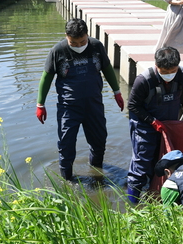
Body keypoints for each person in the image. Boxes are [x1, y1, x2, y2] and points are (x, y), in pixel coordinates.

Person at [36, 18, 124, 181]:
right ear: (66, 36)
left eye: (82, 41)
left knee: (99, 141)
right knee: (66, 144)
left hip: (94, 105)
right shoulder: (58, 51)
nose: (78, 45)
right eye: (73, 43)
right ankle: (67, 180)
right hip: (69, 108)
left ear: (87, 35)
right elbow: (46, 78)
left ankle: (97, 175)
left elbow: (107, 69)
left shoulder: (96, 46)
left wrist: (117, 91)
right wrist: (40, 104)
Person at [127, 46, 183, 203]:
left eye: (172, 70)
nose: (169, 75)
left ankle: (155, 194)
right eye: (164, 72)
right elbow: (132, 106)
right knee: (142, 164)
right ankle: (133, 204)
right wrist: (152, 121)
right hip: (144, 126)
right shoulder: (143, 80)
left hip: (169, 125)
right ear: (156, 65)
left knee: (165, 161)